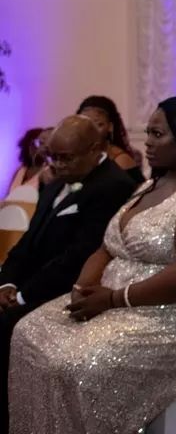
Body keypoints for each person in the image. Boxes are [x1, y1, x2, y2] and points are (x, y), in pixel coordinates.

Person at [9, 96, 176, 434]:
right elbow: (106, 246)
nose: (147, 143)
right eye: (148, 133)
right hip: (110, 299)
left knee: (76, 364)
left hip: (165, 310)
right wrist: (83, 287)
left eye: (157, 134)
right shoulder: (146, 186)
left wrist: (112, 299)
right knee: (26, 333)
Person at [0, 116, 136, 432]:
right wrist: (6, 281)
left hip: (63, 291)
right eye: (53, 157)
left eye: (66, 158)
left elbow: (76, 258)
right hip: (28, 285)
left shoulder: (113, 186)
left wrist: (21, 296)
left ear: (95, 149)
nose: (57, 165)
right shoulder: (58, 181)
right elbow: (27, 244)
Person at [77, 95, 143, 183]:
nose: (91, 130)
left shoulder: (121, 161)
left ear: (110, 127)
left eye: (98, 124)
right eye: (85, 124)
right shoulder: (75, 158)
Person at [5, 128, 47, 203]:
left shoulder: (47, 172)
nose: (33, 148)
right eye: (31, 144)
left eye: (37, 144)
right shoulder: (21, 170)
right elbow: (8, 197)